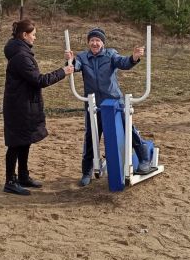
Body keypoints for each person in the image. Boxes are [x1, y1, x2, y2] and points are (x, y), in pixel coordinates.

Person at [65, 27, 157, 187]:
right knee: (91, 136)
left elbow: (123, 63)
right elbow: (76, 66)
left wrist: (133, 58)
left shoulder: (110, 54)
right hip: (93, 104)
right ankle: (87, 171)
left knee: (128, 129)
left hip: (114, 102)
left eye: (98, 40)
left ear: (103, 43)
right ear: (88, 43)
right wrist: (70, 60)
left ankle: (144, 158)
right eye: (92, 40)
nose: (95, 43)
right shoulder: (83, 57)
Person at [2, 19, 73, 196]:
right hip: (19, 106)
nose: (35, 37)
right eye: (33, 34)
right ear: (24, 35)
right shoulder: (21, 56)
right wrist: (63, 72)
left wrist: (67, 65)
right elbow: (39, 80)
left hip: (24, 103)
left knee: (25, 140)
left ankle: (23, 176)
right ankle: (10, 181)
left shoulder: (21, 52)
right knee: (15, 144)